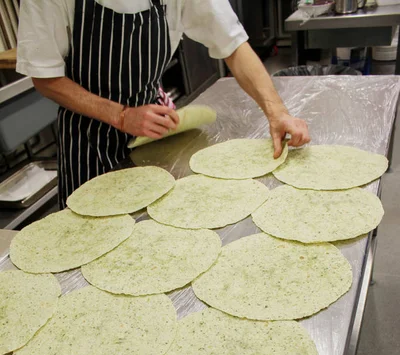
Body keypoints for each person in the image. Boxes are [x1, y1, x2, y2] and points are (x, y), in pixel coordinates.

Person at [17, 0, 310, 207]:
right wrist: (120, 115)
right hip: (89, 143)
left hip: (154, 133)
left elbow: (232, 45)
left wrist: (277, 113)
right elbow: (46, 78)